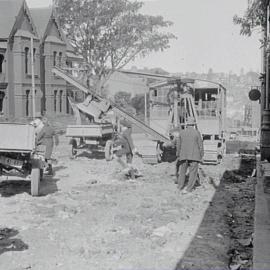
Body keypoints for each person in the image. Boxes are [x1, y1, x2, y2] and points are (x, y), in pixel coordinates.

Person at [175, 117, 204, 193]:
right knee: (193, 173)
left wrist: (178, 154)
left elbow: (178, 145)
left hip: (183, 156)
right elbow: (200, 145)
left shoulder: (182, 133)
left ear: (187, 125)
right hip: (194, 156)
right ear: (193, 125)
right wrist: (201, 155)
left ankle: (180, 186)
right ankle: (188, 189)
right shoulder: (197, 133)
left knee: (182, 172)